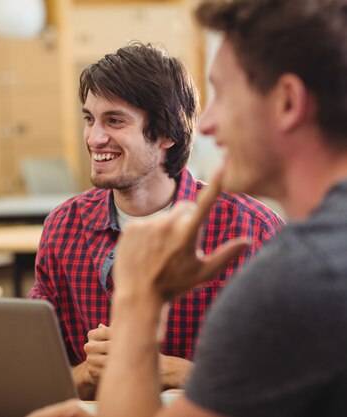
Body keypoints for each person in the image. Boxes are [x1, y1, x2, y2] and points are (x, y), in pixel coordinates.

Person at [27, 0, 347, 416]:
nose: (208, 122)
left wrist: (140, 304)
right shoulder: (316, 256)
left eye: (225, 95)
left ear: (288, 102)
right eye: (89, 119)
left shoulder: (289, 264)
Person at [28, 42, 283, 399]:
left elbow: (293, 379)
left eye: (114, 121)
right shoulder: (63, 227)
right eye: (89, 119)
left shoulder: (249, 229)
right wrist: (87, 372)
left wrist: (175, 370)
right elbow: (34, 376)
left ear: (167, 133)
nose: (94, 138)